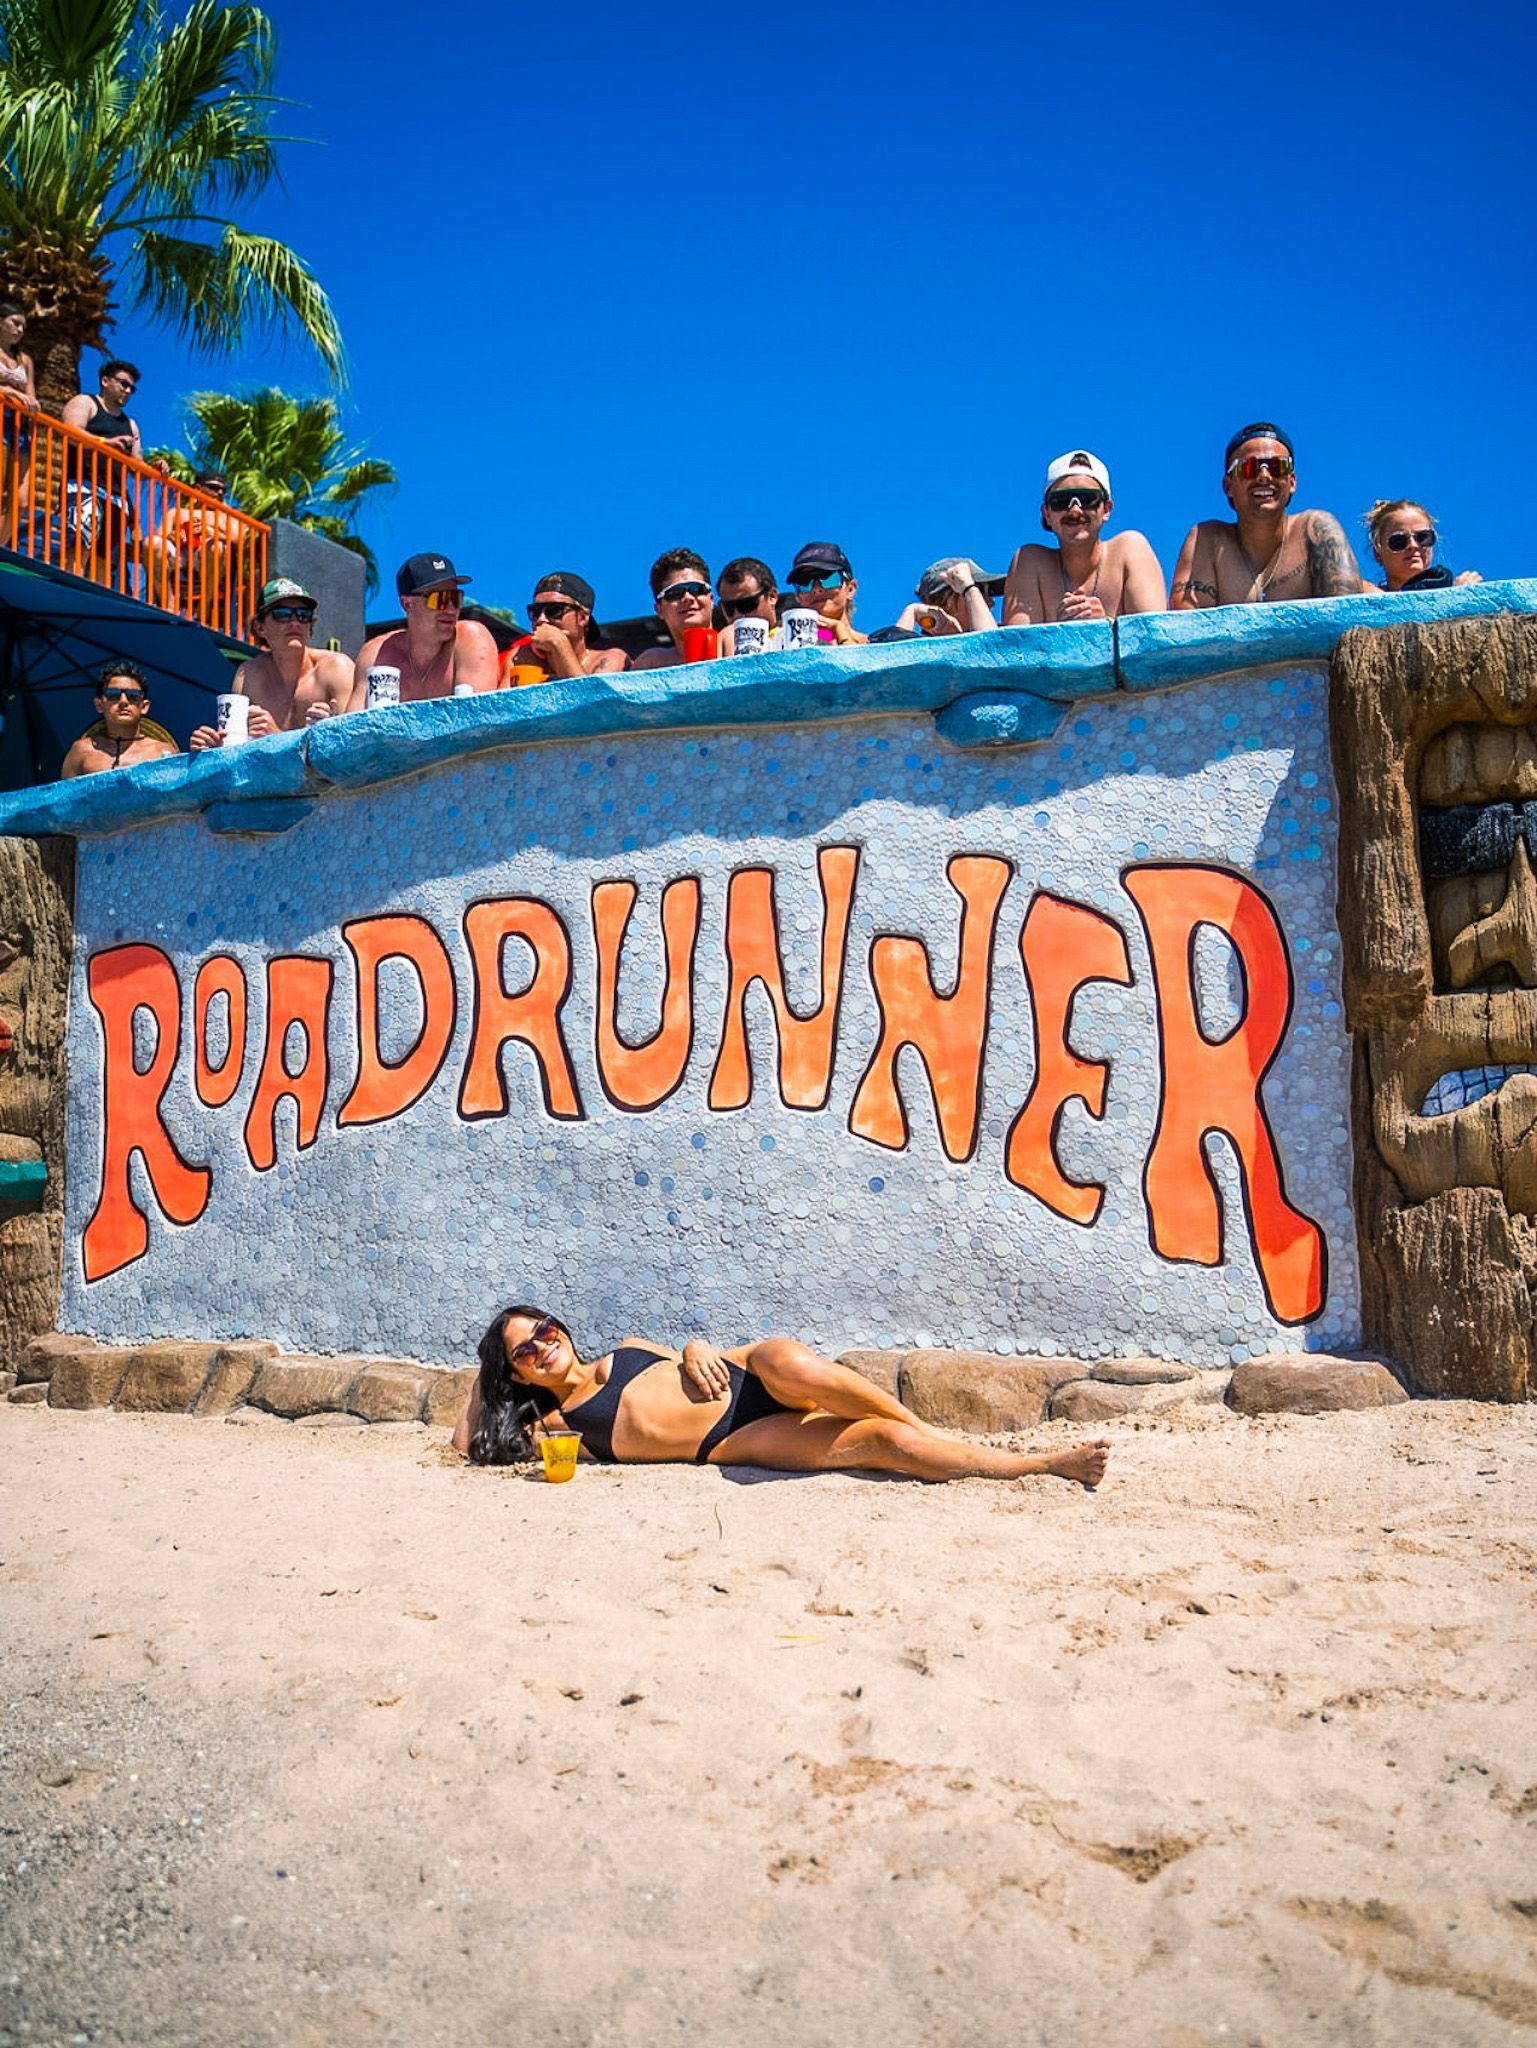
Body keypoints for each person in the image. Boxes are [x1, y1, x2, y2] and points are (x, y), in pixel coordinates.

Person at [452, 1304, 1112, 1487]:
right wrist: (490, 1374)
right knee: (883, 1443)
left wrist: (696, 1346)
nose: (542, 1345)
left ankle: (937, 1431)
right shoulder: (557, 1428)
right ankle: (1042, 1465)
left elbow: (683, 1356)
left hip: (748, 1372)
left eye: (544, 1330)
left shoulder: (625, 1346)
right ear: (518, 1374)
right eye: (525, 1351)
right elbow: (464, 1444)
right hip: (733, 1439)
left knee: (796, 1362)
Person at [1170, 423, 1361, 609]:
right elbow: (1189, 625)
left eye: (1277, 467)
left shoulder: (1314, 530)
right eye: (1249, 468)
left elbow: (1347, 616)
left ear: (1292, 482)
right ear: (1228, 486)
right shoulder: (1207, 540)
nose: (1264, 476)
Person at [188, 578, 354, 748]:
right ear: (260, 627)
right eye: (282, 614)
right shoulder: (249, 676)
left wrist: (276, 738)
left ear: (310, 626)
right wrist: (213, 746)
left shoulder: (336, 669)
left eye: (303, 615)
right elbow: (235, 749)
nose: (295, 622)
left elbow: (357, 746)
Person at [1003, 453, 1166, 624]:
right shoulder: (1030, 562)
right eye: (1061, 501)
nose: (1075, 511)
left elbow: (1154, 635)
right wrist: (1060, 632)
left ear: (1106, 509)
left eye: (1087, 499)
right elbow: (1019, 641)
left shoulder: (1130, 550)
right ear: (1047, 514)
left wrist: (1103, 626)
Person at [347, 552, 500, 708]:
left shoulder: (471, 640)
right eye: (439, 599)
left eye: (455, 598)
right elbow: (353, 721)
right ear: (407, 604)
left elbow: (478, 719)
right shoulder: (377, 654)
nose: (451, 609)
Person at [60, 660, 180, 777]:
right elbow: (63, 791)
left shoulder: (162, 752)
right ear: (99, 705)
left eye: (133, 695)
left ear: (144, 706)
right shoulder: (81, 752)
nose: (123, 701)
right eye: (113, 694)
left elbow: (182, 790)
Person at [517, 570, 628, 680]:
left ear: (582, 618)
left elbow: (590, 692)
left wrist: (559, 644)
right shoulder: (520, 656)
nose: (541, 619)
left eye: (554, 610)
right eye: (535, 612)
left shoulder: (609, 659)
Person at [1361, 500, 1482, 594]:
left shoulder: (1460, 588)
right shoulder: (1362, 592)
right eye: (1398, 541)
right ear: (1378, 553)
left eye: (1423, 537)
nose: (1413, 546)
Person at [632, 548, 715, 670]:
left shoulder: (735, 646)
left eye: (696, 588)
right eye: (675, 593)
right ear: (659, 610)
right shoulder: (651, 665)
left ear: (711, 600)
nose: (688, 598)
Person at [880, 557, 1000, 639]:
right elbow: (893, 660)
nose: (991, 602)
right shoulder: (923, 651)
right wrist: (911, 612)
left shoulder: (1002, 632)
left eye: (989, 592)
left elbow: (993, 649)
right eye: (980, 591)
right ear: (946, 601)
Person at [784, 541, 867, 645]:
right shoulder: (782, 646)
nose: (817, 589)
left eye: (829, 579)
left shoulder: (876, 645)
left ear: (850, 589)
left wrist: (839, 631)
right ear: (798, 596)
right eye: (804, 582)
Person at [717, 556, 780, 655]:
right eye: (729, 608)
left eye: (746, 604)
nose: (737, 616)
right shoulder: (722, 639)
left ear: (772, 596)